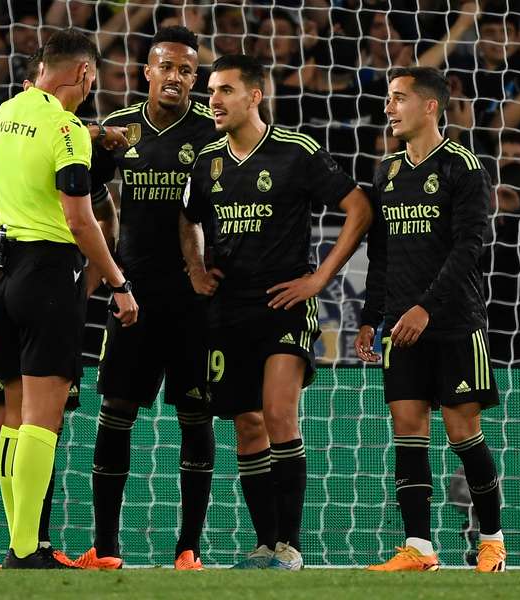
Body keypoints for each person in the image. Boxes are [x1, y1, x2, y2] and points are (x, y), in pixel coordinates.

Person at [180, 55, 372, 570]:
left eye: (224, 90)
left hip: (284, 306)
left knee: (279, 413)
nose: (213, 100)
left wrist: (319, 278)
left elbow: (360, 209)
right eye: (211, 91)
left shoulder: (296, 151)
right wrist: (196, 269)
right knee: (246, 424)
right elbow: (187, 218)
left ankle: (290, 546)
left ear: (255, 96)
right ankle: (265, 544)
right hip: (227, 310)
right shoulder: (207, 161)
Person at [0, 51, 126, 570]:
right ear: (82, 74)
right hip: (49, 274)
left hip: (3, 274)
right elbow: (81, 220)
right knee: (42, 422)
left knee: (12, 419)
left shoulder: (6, 115)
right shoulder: (66, 128)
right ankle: (28, 548)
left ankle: (24, 543)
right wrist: (118, 283)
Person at [74, 26, 220, 572]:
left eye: (187, 70)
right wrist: (108, 238)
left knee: (194, 415)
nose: (177, 77)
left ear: (195, 79)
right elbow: (83, 188)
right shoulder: (117, 130)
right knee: (116, 411)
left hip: (193, 301)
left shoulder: (211, 131)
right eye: (167, 67)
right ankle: (107, 549)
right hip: (131, 296)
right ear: (147, 72)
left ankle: (189, 549)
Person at [355, 66, 506, 573]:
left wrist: (425, 306)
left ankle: (492, 540)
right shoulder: (387, 172)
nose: (388, 108)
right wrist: (369, 317)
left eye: (398, 98)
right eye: (388, 99)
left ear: (429, 106)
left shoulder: (464, 167)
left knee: (463, 432)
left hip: (454, 323)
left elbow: (470, 247)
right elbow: (382, 253)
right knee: (408, 429)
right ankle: (419, 547)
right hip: (400, 327)